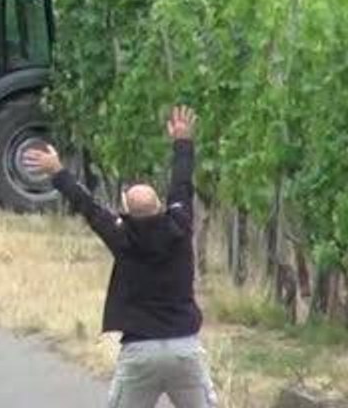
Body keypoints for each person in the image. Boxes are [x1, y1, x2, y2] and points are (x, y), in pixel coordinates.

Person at [22, 106, 218, 408]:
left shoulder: (121, 236)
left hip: (139, 350)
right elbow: (182, 184)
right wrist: (182, 142)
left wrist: (58, 171)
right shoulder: (180, 225)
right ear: (160, 205)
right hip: (184, 347)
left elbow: (87, 206)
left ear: (126, 210)